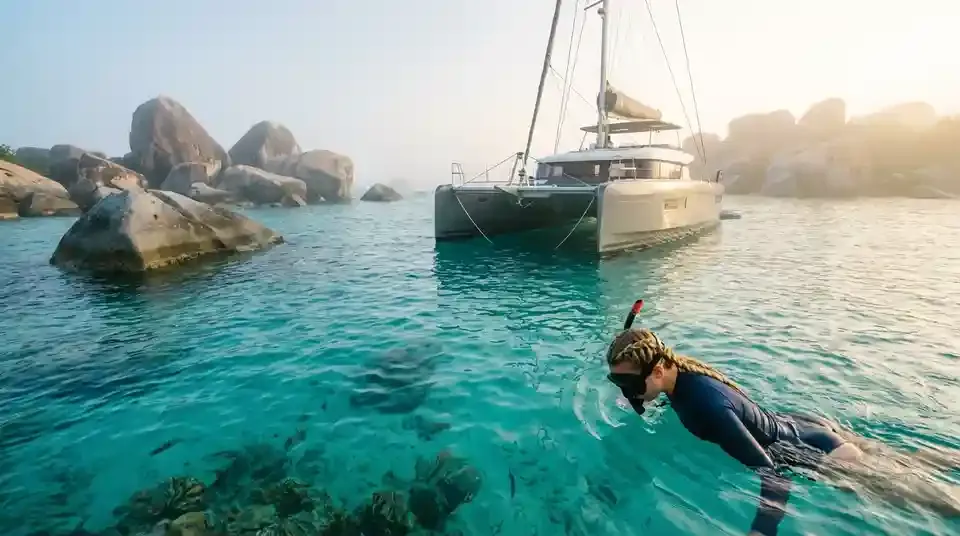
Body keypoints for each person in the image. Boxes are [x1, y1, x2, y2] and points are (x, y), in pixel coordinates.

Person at [605, 307, 960, 536]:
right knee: (910, 460)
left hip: (813, 451)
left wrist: (762, 530)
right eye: (618, 384)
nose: (626, 392)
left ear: (660, 368)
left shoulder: (705, 406)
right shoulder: (680, 376)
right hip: (805, 425)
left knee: (927, 499)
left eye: (630, 384)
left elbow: (771, 470)